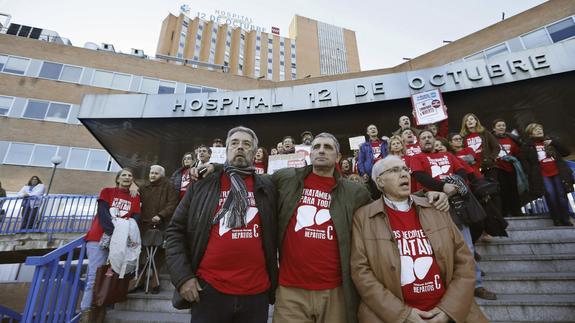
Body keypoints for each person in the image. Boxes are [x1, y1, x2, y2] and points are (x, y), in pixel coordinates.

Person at [271, 133, 449, 323]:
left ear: (338, 157)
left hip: (336, 290)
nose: (321, 150)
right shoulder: (285, 178)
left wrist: (425, 196)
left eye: (328, 147)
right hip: (290, 290)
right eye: (316, 147)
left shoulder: (354, 191)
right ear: (310, 153)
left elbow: (384, 207)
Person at [351, 156, 487, 323]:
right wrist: (402, 314)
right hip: (391, 316)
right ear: (380, 182)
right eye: (394, 170)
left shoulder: (436, 208)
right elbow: (361, 272)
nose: (403, 174)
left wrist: (448, 309)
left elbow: (465, 261)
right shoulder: (363, 217)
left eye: (404, 169)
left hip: (446, 312)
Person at [165, 126, 278, 323]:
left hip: (256, 293)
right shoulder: (203, 184)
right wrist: (183, 277)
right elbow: (175, 231)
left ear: (255, 151)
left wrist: (215, 166)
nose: (240, 147)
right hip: (209, 290)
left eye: (246, 144)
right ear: (226, 150)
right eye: (234, 143)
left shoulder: (267, 186)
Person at [410, 130, 497, 300]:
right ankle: (448, 287)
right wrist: (443, 188)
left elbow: (462, 172)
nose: (427, 139)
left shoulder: (449, 155)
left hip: (457, 205)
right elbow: (421, 177)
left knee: (467, 246)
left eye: (430, 137)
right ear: (419, 142)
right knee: (441, 249)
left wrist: (454, 187)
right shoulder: (416, 158)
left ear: (435, 140)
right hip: (434, 206)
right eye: (423, 138)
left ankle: (476, 285)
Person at [80, 168, 141, 322]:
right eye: (124, 175)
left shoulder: (134, 197)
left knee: (111, 277)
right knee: (94, 276)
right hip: (99, 238)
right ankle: (87, 313)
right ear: (118, 179)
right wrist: (115, 232)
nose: (127, 177)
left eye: (130, 175)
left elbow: (135, 218)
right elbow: (103, 213)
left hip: (121, 243)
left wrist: (123, 236)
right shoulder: (107, 191)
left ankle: (101, 311)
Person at [136, 165, 179, 293]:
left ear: (162, 175)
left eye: (155, 173)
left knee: (159, 254)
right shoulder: (144, 187)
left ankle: (155, 280)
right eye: (151, 173)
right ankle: (140, 280)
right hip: (145, 224)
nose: (152, 175)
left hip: (162, 224)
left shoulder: (169, 186)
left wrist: (161, 215)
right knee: (143, 253)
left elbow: (172, 203)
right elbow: (136, 200)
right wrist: (134, 192)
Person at [521, 123, 574, 226]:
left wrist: (553, 142)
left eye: (540, 128)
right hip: (543, 174)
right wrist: (530, 174)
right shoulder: (527, 145)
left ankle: (566, 218)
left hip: (558, 172)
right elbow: (525, 162)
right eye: (536, 129)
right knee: (551, 195)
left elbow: (566, 152)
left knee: (561, 195)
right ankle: (556, 219)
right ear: (530, 133)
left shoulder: (550, 141)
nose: (539, 130)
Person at [492, 119, 523, 217]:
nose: (501, 127)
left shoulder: (511, 139)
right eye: (499, 125)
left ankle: (517, 211)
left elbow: (517, 152)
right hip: (498, 168)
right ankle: (504, 212)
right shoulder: (491, 139)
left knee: (514, 190)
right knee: (502, 191)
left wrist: (514, 158)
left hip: (511, 168)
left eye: (503, 125)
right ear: (494, 128)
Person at [460, 113, 500, 178]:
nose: (469, 121)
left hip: (489, 166)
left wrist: (491, 159)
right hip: (474, 168)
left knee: (493, 186)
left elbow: (496, 147)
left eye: (471, 119)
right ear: (465, 124)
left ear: (476, 121)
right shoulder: (463, 137)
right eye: (467, 120)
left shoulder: (485, 133)